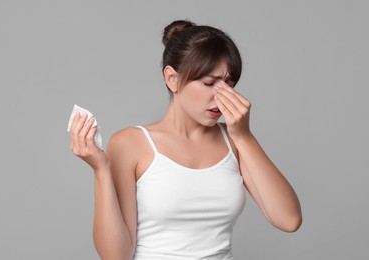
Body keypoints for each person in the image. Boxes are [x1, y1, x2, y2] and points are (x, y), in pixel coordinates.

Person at [69, 20, 302, 260]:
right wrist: (101, 171)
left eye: (229, 83)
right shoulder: (130, 143)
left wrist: (244, 135)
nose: (223, 95)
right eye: (209, 83)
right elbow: (115, 256)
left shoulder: (235, 140)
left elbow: (289, 220)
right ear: (172, 79)